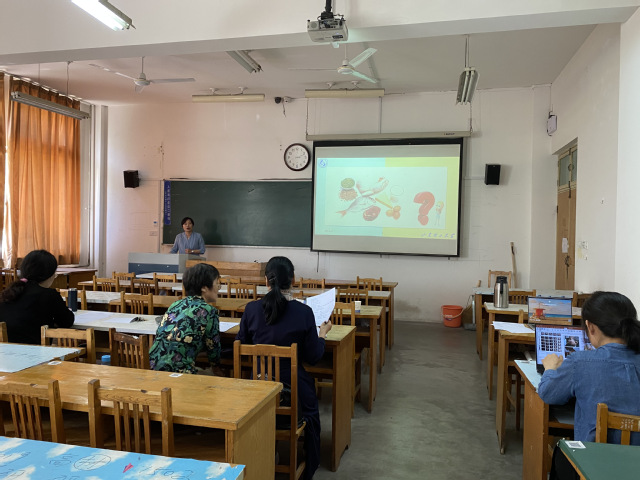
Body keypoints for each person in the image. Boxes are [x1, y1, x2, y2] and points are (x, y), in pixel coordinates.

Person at [236, 256, 331, 480]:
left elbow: (242, 343)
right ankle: (309, 466)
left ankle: (258, 455)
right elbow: (314, 357)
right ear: (293, 280)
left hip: (258, 388)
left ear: (266, 281)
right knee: (311, 414)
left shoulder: (251, 309)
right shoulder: (303, 312)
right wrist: (322, 335)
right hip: (292, 390)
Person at [538, 291, 640, 479]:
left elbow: (548, 393)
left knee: (561, 453)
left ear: (590, 327)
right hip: (635, 467)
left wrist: (550, 369)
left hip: (593, 464)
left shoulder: (580, 361)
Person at [149, 263, 221, 374]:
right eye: (217, 283)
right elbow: (213, 349)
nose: (219, 288)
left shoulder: (175, 304)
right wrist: (217, 369)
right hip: (180, 372)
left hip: (154, 366)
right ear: (204, 288)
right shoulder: (209, 311)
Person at [0, 249, 74, 344]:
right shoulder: (49, 294)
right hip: (36, 350)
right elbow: (67, 322)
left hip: (6, 350)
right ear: (48, 274)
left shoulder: (8, 292)